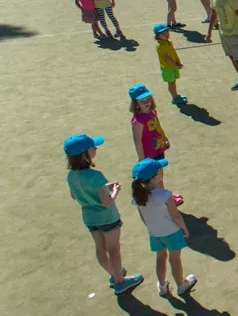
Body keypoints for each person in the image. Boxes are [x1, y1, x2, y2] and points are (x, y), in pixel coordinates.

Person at [64, 133, 144, 294]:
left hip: (89, 218)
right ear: (84, 154)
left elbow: (75, 195)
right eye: (92, 147)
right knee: (114, 249)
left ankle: (114, 274)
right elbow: (107, 202)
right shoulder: (96, 175)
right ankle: (120, 282)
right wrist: (114, 190)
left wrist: (103, 187)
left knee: (100, 248)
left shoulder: (70, 175)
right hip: (108, 217)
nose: (96, 148)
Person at [131, 158, 197, 297]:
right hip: (172, 232)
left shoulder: (137, 196)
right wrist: (184, 229)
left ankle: (162, 286)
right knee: (175, 259)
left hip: (154, 234)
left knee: (160, 258)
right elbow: (176, 216)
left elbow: (143, 218)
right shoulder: (165, 195)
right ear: (155, 177)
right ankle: (181, 285)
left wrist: (152, 229)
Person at [129, 83, 186, 205]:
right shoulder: (137, 121)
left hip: (158, 150)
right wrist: (141, 158)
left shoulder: (152, 112)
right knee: (157, 179)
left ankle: (163, 200)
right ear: (136, 104)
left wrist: (165, 139)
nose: (146, 102)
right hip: (149, 155)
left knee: (159, 177)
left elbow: (157, 128)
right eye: (142, 101)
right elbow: (137, 141)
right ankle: (166, 201)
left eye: (148, 99)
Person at [153, 24, 187, 105]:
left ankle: (176, 96)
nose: (166, 34)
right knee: (171, 83)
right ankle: (174, 98)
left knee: (173, 81)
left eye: (167, 32)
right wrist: (176, 65)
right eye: (163, 34)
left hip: (173, 65)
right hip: (167, 68)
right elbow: (167, 58)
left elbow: (173, 53)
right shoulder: (160, 46)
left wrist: (178, 62)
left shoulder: (168, 42)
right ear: (157, 35)